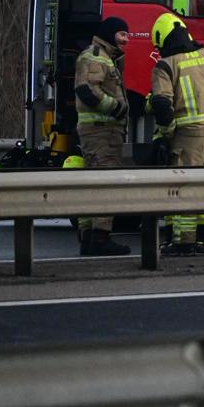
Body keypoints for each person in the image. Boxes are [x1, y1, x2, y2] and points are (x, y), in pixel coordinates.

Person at [150, 13, 204, 254]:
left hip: (188, 136)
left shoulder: (166, 65)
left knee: (186, 188)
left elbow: (161, 103)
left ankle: (185, 242)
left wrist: (167, 133)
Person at [72, 16, 132, 256]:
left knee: (93, 183)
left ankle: (88, 236)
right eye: (122, 34)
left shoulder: (107, 57)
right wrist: (115, 107)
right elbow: (86, 90)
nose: (126, 39)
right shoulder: (96, 56)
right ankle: (100, 237)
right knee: (106, 183)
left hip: (101, 131)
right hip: (101, 131)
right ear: (110, 34)